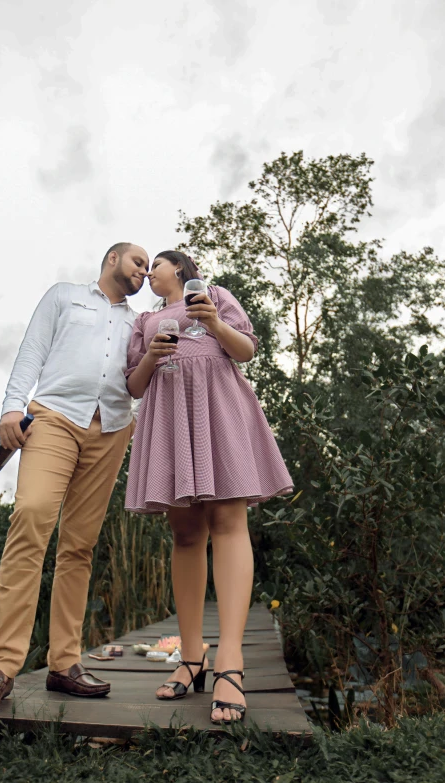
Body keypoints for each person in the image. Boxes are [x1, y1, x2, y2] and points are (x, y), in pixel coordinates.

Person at [0, 242, 149, 714]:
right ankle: (1, 666)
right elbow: (32, 350)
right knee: (30, 516)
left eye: (148, 267)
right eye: (137, 262)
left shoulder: (138, 323)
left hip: (112, 428)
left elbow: (139, 380)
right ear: (112, 259)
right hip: (55, 418)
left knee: (80, 544)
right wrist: (11, 406)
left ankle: (64, 663)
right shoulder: (64, 296)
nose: (144, 271)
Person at [125, 250, 293, 724]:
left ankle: (230, 663)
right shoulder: (146, 320)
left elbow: (245, 351)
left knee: (226, 522)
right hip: (170, 416)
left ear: (179, 268)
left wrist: (215, 323)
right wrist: (153, 356)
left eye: (154, 264)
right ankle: (192, 657)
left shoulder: (214, 296)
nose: (148, 273)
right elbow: (135, 387)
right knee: (185, 534)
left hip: (218, 409)